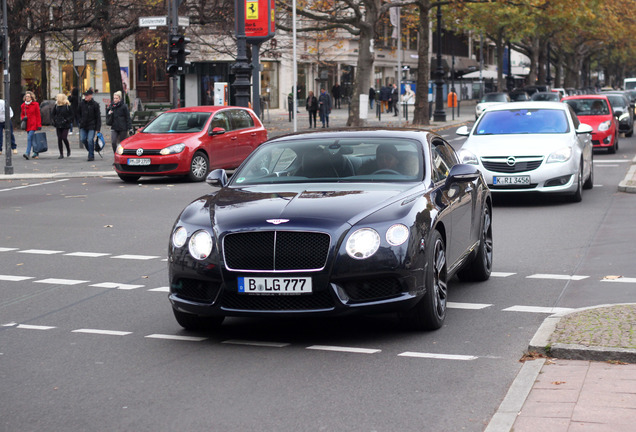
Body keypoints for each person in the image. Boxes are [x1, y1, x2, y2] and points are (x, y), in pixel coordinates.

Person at [78, 88, 101, 161]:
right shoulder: (81, 104)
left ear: (91, 96)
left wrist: (98, 128)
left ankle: (91, 155)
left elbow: (98, 117)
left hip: (92, 125)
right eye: (85, 95)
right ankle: (90, 149)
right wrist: (80, 121)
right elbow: (78, 114)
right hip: (83, 125)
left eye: (87, 95)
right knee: (83, 139)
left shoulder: (95, 105)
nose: (86, 97)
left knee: (90, 139)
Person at [20, 91, 42, 160]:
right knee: (31, 139)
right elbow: (22, 115)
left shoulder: (35, 104)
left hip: (33, 124)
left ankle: (27, 153)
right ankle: (36, 152)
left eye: (28, 96)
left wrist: (39, 124)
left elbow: (38, 115)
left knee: (29, 137)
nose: (27, 98)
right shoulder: (23, 105)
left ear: (31, 97)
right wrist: (23, 118)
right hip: (27, 124)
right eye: (26, 96)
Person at [51, 93, 74, 159]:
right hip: (58, 124)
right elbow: (53, 114)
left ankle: (68, 149)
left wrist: (67, 120)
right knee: (59, 138)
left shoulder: (67, 106)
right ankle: (61, 153)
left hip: (65, 124)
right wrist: (54, 120)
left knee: (64, 137)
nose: (57, 99)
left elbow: (72, 115)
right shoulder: (56, 106)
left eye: (58, 98)